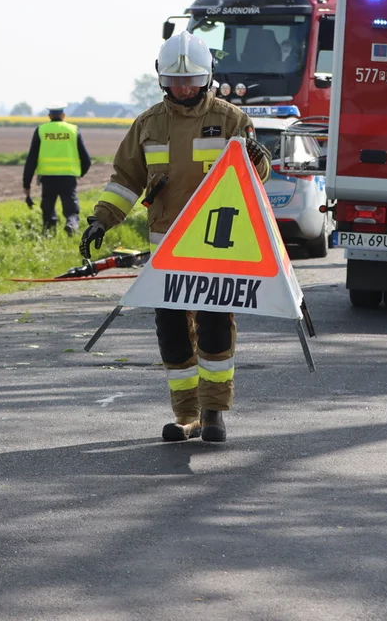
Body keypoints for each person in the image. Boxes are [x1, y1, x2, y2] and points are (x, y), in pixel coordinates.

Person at [79, 31, 272, 443]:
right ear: (161, 79)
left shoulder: (233, 121)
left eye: (191, 81)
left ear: (208, 78)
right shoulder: (148, 125)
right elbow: (125, 181)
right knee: (171, 331)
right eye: (174, 81)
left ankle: (214, 412)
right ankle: (186, 414)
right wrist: (102, 219)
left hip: (215, 246)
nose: (183, 88)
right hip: (166, 247)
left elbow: (254, 180)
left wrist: (258, 162)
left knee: (215, 326)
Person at [22, 104, 91, 235]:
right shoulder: (73, 130)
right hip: (68, 177)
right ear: (63, 115)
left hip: (48, 177)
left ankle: (48, 231)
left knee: (47, 205)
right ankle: (71, 223)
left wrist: (26, 184)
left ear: (49, 116)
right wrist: (80, 173)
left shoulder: (41, 130)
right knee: (70, 204)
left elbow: (31, 159)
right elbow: (86, 159)